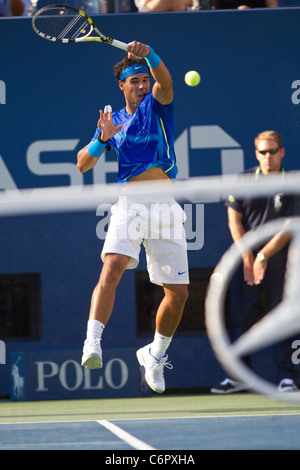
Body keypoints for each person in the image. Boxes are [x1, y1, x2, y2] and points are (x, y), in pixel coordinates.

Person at [77, 41, 189, 394]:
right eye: (135, 81)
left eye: (145, 79)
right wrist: (101, 140)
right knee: (112, 268)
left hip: (165, 206)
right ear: (122, 86)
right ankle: (92, 342)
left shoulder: (159, 104)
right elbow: (82, 163)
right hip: (130, 204)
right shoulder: (113, 121)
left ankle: (154, 355)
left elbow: (166, 81)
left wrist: (151, 53)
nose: (143, 86)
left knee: (179, 294)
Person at [211, 130, 299, 394]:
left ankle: (288, 377)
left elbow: (288, 227)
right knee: (241, 316)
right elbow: (233, 220)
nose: (268, 157)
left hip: (282, 260)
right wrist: (248, 255)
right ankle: (239, 376)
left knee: (285, 317)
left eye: (273, 151)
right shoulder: (244, 180)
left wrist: (263, 255)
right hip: (245, 259)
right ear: (256, 154)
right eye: (263, 152)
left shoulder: (292, 182)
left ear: (282, 152)